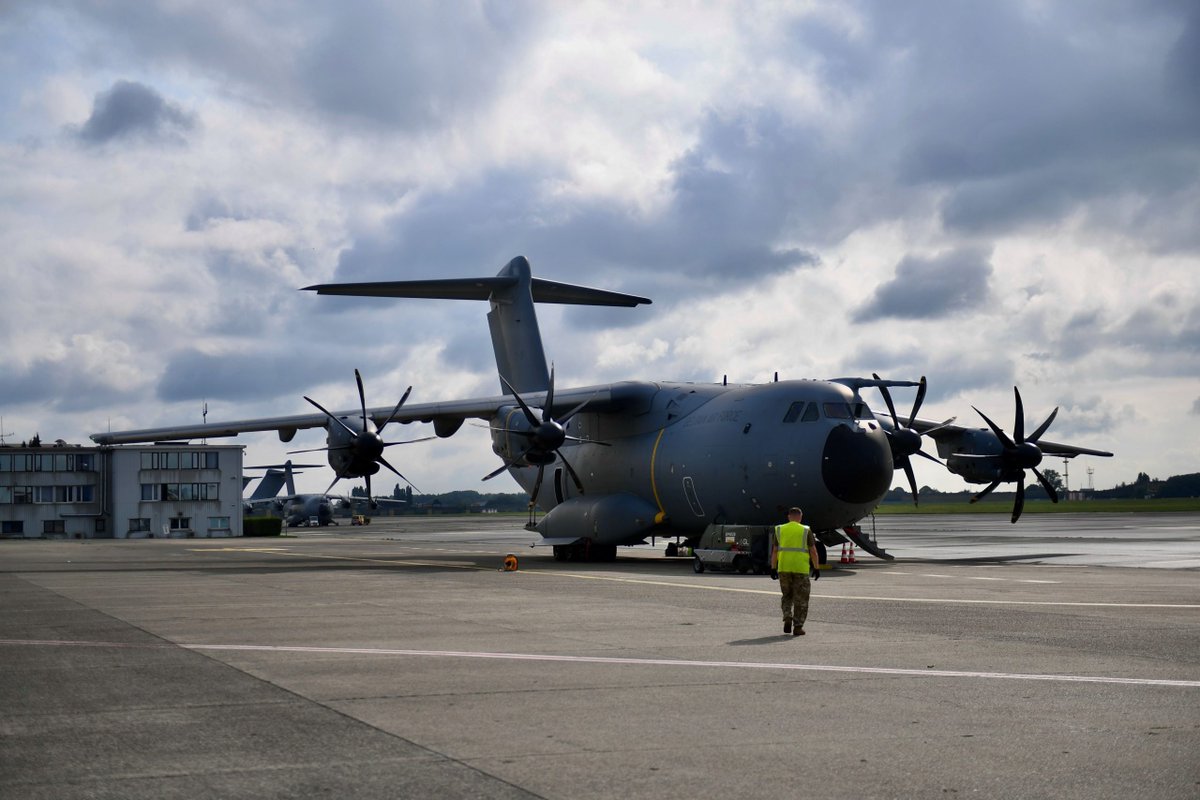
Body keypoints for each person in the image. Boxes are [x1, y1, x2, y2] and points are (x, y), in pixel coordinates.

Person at [770, 507, 821, 636]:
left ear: (788, 516)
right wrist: (816, 567)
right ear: (800, 517)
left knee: (787, 596)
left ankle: (787, 616)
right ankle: (798, 627)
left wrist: (773, 567)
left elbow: (775, 551)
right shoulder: (805, 530)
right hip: (801, 569)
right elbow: (813, 551)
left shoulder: (780, 529)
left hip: (784, 568)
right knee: (801, 599)